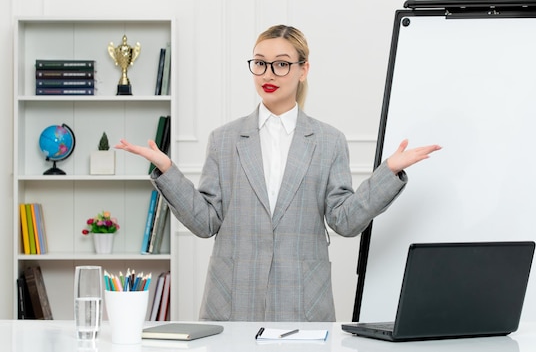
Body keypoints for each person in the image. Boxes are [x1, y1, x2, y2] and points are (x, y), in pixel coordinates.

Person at [115, 25, 441, 322]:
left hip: (303, 302)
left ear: (303, 69)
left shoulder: (329, 141)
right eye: (260, 63)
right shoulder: (224, 139)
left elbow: (345, 221)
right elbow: (205, 222)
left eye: (281, 63)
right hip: (232, 301)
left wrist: (390, 172)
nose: (268, 73)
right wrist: (167, 170)